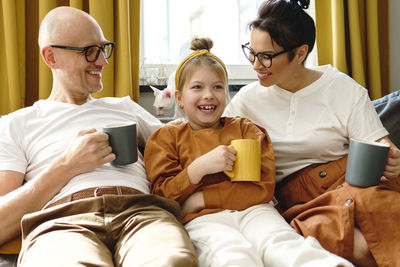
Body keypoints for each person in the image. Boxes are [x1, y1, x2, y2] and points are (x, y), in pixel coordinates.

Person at [0, 6, 198, 267]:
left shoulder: (125, 108)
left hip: (142, 212)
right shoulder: (16, 124)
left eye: (104, 49)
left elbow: (187, 150)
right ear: (51, 57)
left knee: (171, 262)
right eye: (89, 51)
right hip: (62, 223)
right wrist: (67, 166)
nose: (103, 61)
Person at [144, 37, 353, 267]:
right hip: (205, 220)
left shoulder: (245, 129)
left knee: (282, 244)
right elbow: (161, 195)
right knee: (232, 255)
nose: (209, 95)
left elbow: (262, 189)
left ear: (227, 94)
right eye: (197, 87)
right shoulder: (165, 137)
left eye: (218, 87)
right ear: (179, 98)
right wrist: (198, 169)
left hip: (255, 211)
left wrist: (200, 198)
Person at [223, 0, 400, 266]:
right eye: (251, 52)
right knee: (363, 247)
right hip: (300, 201)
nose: (256, 65)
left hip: (354, 183)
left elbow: (375, 141)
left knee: (383, 216)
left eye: (267, 56)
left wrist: (391, 156)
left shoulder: (342, 89)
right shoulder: (246, 102)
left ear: (300, 52)